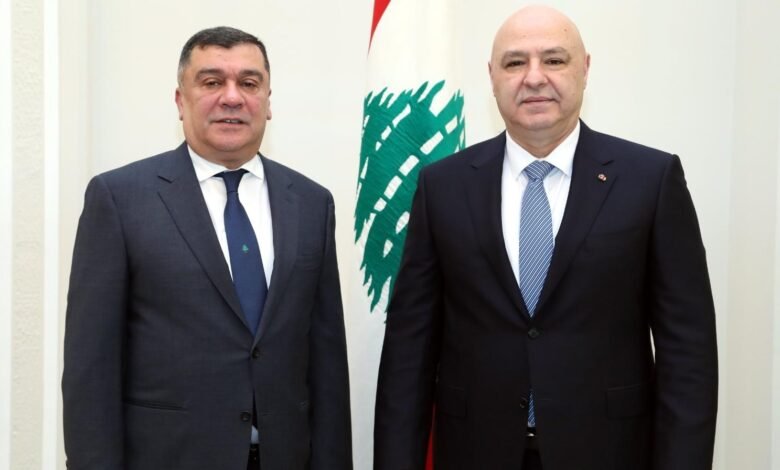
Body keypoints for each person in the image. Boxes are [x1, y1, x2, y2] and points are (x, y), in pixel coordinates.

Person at [374, 6, 717, 470]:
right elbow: (408, 351)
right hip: (475, 452)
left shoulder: (651, 180)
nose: (534, 77)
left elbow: (688, 352)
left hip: (610, 454)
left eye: (554, 60)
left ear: (585, 69)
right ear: (492, 76)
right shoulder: (442, 187)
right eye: (515, 62)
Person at [62, 26, 352, 470]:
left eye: (249, 83)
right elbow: (91, 368)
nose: (232, 97)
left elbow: (327, 364)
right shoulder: (120, 199)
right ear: (181, 101)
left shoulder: (312, 203)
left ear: (268, 102)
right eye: (212, 81)